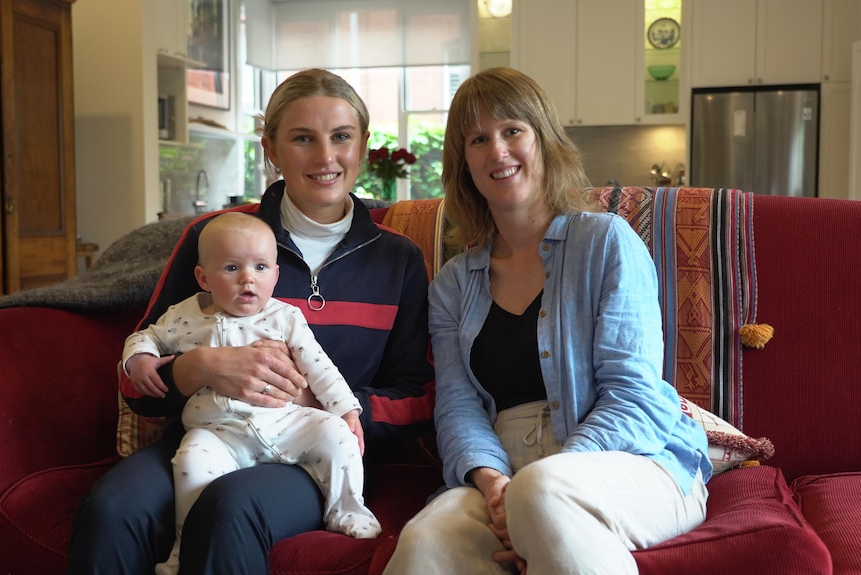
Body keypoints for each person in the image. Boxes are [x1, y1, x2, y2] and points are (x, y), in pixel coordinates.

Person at [68, 68, 435, 575]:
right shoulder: (218, 238)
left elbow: (419, 396)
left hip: (313, 452)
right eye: (303, 138)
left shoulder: (399, 259)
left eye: (342, 137)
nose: (326, 157)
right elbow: (136, 385)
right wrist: (197, 368)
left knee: (231, 507)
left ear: (364, 146)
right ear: (271, 149)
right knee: (113, 509)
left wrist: (322, 403)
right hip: (211, 433)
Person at [383, 67, 712, 575]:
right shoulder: (452, 284)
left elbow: (633, 391)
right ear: (463, 162)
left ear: (544, 140)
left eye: (513, 130)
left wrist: (541, 486)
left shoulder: (606, 242)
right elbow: (457, 406)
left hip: (630, 458)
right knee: (427, 539)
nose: (497, 151)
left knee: (541, 492)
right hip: (505, 470)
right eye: (478, 139)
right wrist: (494, 486)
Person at [123, 212, 382, 574]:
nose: (248, 278)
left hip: (286, 422)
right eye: (231, 268)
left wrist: (347, 412)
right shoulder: (184, 316)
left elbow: (320, 368)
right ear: (203, 277)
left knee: (338, 434)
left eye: (261, 267)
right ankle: (184, 546)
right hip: (219, 433)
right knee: (191, 462)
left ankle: (347, 509)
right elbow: (145, 335)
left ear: (275, 276)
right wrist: (139, 358)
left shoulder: (284, 318)